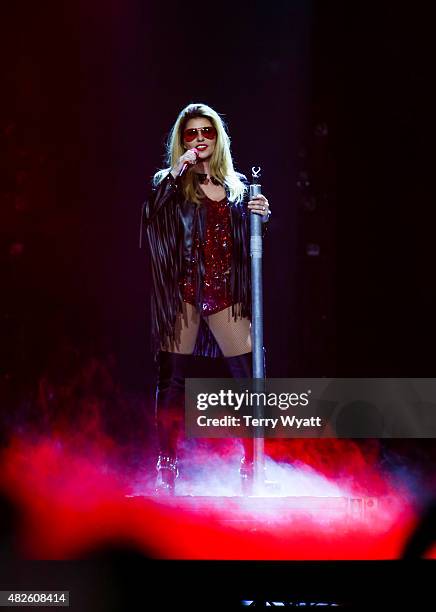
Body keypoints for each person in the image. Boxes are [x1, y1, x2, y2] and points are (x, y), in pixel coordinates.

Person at [140, 103, 271, 494]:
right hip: (183, 290)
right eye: (191, 133)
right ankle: (167, 466)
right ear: (182, 139)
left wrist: (263, 216)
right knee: (172, 380)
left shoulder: (237, 187)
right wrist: (176, 171)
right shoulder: (169, 182)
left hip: (226, 290)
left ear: (218, 139)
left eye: (206, 132)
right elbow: (150, 217)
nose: (199, 139)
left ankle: (253, 464)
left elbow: (252, 241)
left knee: (251, 377)